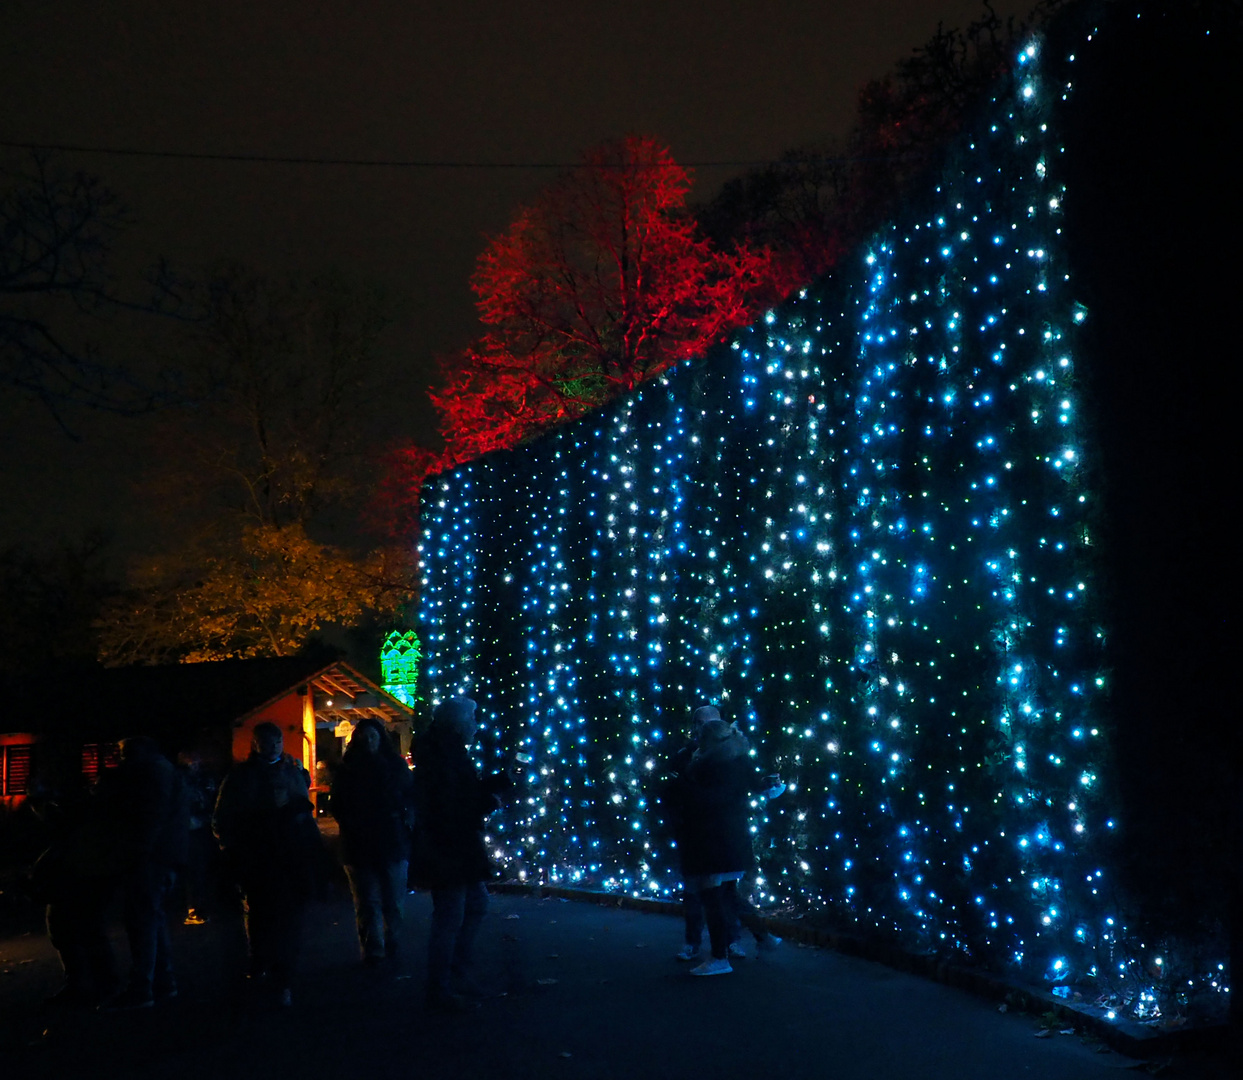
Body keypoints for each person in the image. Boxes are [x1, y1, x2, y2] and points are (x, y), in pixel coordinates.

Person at [411, 697, 511, 1011]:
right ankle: (443, 985)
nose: (475, 725)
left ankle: (453, 977)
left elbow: (459, 794)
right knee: (452, 916)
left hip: (452, 846)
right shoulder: (445, 755)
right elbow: (454, 803)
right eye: (472, 718)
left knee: (468, 907)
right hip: (450, 848)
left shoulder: (442, 751)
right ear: (457, 723)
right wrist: (489, 800)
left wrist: (496, 784)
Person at [213, 722, 319, 1007]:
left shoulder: (290, 771)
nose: (273, 746)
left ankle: (279, 973)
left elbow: (303, 809)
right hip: (259, 856)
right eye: (267, 741)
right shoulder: (243, 776)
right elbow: (224, 816)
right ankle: (264, 964)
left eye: (277, 741)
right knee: (263, 914)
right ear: (256, 744)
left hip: (288, 855)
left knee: (284, 917)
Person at [679, 716, 782, 976]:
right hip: (733, 837)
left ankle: (719, 956)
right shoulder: (737, 760)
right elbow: (753, 785)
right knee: (726, 895)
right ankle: (759, 936)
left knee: (713, 895)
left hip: (714, 837)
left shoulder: (710, 764)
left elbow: (707, 799)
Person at [101, 735, 188, 1009]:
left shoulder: (151, 774)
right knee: (151, 918)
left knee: (142, 920)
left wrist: (137, 851)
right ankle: (161, 982)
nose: (120, 756)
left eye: (124, 751)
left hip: (150, 858)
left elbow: (149, 816)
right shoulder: (162, 771)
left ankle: (143, 987)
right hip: (160, 855)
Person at [330, 717, 415, 964]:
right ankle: (374, 950)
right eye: (364, 737)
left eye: (372, 737)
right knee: (368, 902)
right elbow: (339, 806)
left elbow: (410, 798)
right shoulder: (348, 771)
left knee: (393, 901)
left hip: (391, 843)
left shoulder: (395, 768)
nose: (368, 742)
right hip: (360, 845)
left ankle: (392, 942)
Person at [664, 705, 742, 963]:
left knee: (724, 891)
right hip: (693, 833)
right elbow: (671, 790)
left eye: (708, 724)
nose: (701, 729)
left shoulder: (730, 755)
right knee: (695, 891)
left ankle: (730, 942)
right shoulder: (686, 755)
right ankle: (694, 942)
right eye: (698, 723)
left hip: (719, 834)